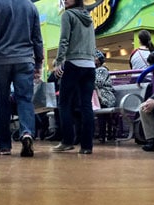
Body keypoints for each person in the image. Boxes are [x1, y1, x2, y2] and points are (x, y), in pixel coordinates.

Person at [0, 0, 43, 157]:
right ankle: (27, 133)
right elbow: (37, 37)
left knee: (1, 102)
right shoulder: (30, 6)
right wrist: (39, 62)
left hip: (1, 60)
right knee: (25, 100)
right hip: (25, 60)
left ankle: (4, 146)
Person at [51, 0, 96, 155]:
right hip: (90, 66)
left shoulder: (68, 15)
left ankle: (67, 141)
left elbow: (64, 40)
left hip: (73, 64)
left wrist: (58, 62)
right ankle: (86, 146)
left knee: (64, 103)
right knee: (86, 105)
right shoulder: (88, 17)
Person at [94, 49, 116, 142]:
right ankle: (105, 134)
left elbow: (99, 83)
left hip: (105, 96)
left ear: (98, 60)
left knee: (101, 113)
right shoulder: (96, 70)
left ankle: (102, 135)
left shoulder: (101, 70)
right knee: (103, 114)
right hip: (101, 96)